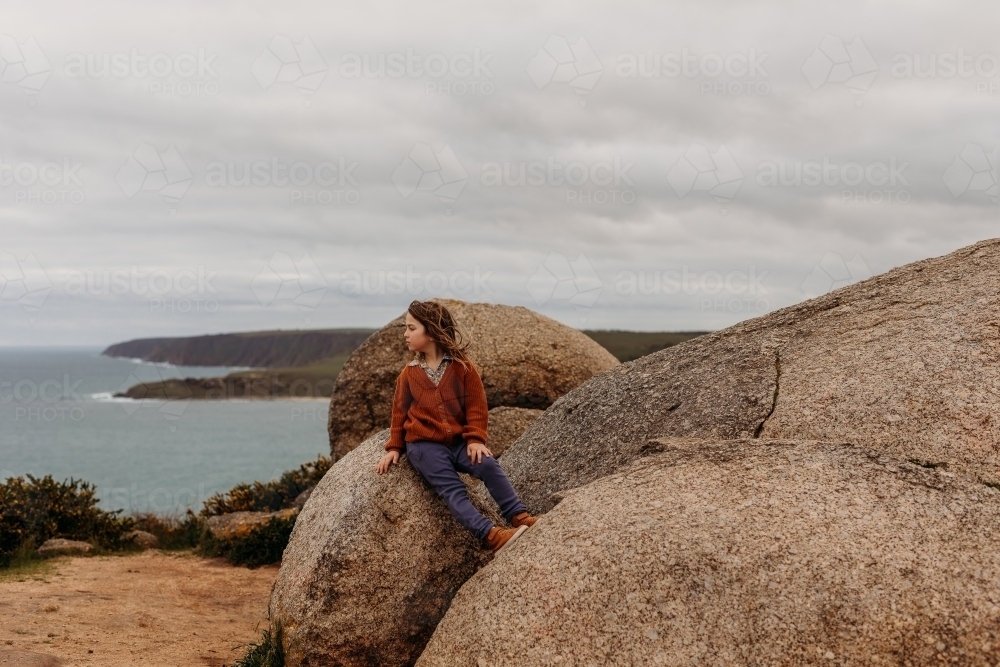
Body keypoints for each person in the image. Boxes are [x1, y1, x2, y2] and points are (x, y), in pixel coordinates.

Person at [375, 300, 539, 553]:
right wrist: (394, 447)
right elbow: (399, 413)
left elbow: (476, 406)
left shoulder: (463, 368)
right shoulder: (408, 375)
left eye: (411, 328)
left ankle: (519, 516)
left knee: (488, 464)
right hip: (423, 445)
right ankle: (491, 536)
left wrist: (475, 439)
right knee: (453, 489)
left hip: (460, 442)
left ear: (430, 332)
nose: (405, 334)